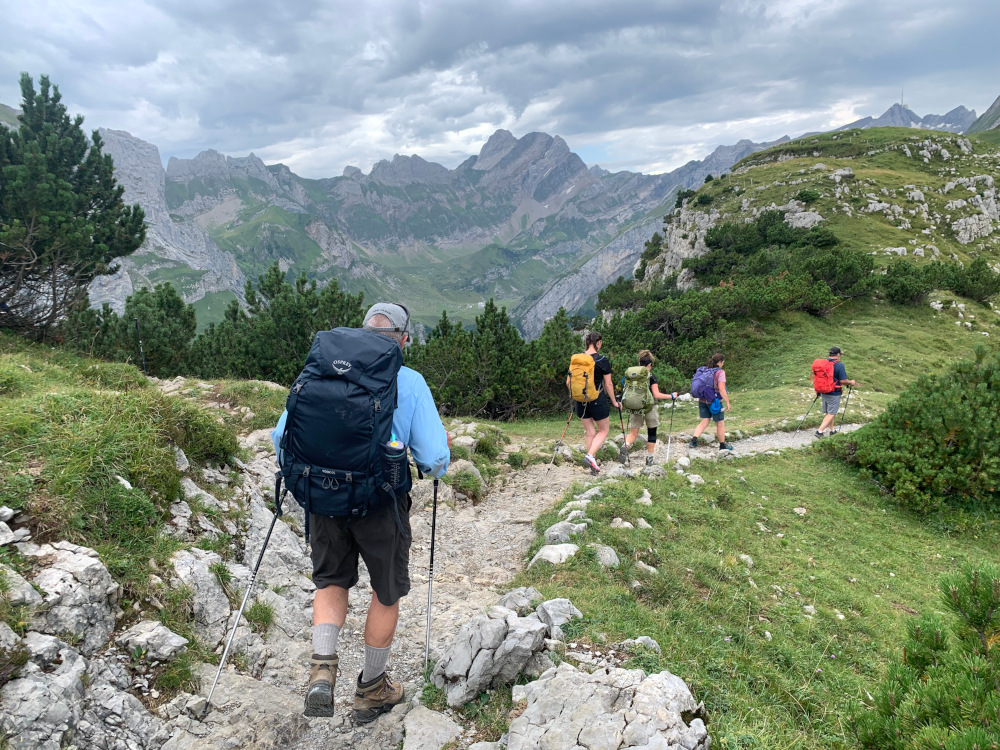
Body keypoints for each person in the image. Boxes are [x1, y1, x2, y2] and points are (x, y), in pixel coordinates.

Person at [271, 302, 450, 722]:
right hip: (380, 502)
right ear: (403, 340)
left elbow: (281, 437)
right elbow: (434, 457)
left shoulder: (323, 370)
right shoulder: (409, 380)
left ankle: (322, 671)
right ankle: (372, 689)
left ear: (363, 331)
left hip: (323, 497)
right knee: (385, 591)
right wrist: (433, 466)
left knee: (331, 579)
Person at [566, 331, 619, 474]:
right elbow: (608, 385)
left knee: (590, 432)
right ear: (598, 343)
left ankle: (592, 465)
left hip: (580, 401)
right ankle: (590, 456)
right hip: (597, 400)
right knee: (603, 430)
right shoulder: (602, 360)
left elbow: (568, 382)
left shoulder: (577, 360)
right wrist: (614, 402)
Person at [620, 350, 678, 466]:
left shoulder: (632, 377)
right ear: (649, 365)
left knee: (633, 433)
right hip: (650, 407)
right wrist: (671, 396)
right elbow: (656, 394)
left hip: (635, 406)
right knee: (652, 432)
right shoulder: (651, 376)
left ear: (639, 363)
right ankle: (650, 459)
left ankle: (624, 447)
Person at [689, 352, 734, 451]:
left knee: (704, 421)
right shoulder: (720, 372)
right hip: (715, 402)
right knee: (720, 423)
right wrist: (727, 402)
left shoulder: (706, 370)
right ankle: (722, 445)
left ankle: (693, 440)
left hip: (702, 400)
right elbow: (721, 389)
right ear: (720, 362)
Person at [815, 346, 856, 438]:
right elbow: (843, 381)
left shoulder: (824, 363)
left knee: (829, 412)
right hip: (834, 392)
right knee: (832, 413)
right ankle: (819, 431)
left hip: (823, 390)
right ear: (838, 354)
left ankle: (832, 430)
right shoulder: (839, 365)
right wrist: (851, 382)